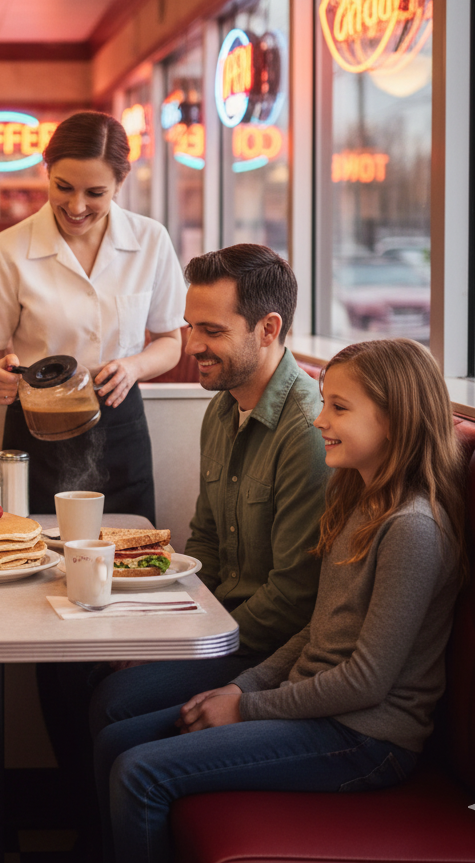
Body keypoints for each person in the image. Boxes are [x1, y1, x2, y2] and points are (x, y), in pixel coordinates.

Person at [94, 338, 467, 863]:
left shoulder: (412, 529)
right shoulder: (357, 499)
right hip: (316, 706)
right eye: (323, 403)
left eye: (339, 408)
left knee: (140, 774)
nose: (319, 422)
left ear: (394, 420)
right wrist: (239, 686)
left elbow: (367, 681)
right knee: (117, 742)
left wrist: (246, 708)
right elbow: (317, 630)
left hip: (367, 739)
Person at [90, 244, 329, 731]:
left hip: (267, 650)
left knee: (115, 702)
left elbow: (293, 597)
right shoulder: (222, 407)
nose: (192, 345)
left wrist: (188, 643)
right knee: (99, 671)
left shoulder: (307, 430)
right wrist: (169, 631)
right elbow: (205, 545)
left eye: (212, 331)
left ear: (268, 329)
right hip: (221, 627)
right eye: (190, 326)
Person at [0, 110, 186, 523]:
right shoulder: (8, 249)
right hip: (35, 430)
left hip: (120, 425)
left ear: (121, 183)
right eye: (63, 187)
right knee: (33, 558)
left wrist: (133, 367)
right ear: (46, 172)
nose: (76, 206)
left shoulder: (150, 240)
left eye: (95, 193)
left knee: (129, 556)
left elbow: (171, 342)